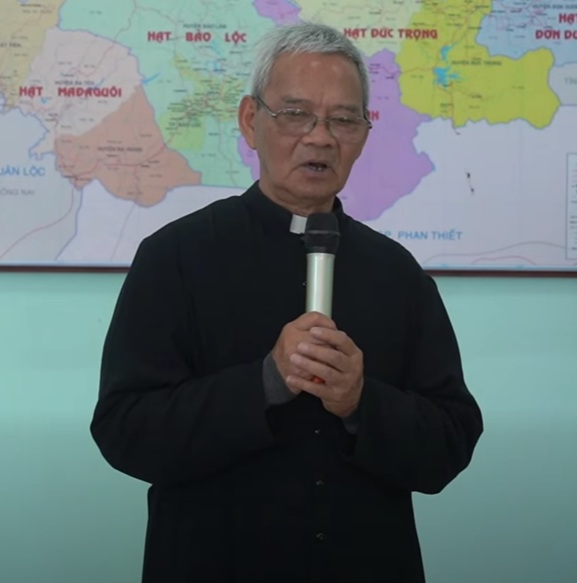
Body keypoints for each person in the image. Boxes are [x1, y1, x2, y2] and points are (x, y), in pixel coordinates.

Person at [90, 22, 484, 583]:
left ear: (363, 135)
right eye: (296, 114)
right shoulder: (174, 257)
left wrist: (361, 402)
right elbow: (124, 431)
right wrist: (265, 383)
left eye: (343, 120)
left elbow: (450, 443)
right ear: (251, 121)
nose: (320, 138)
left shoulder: (398, 274)